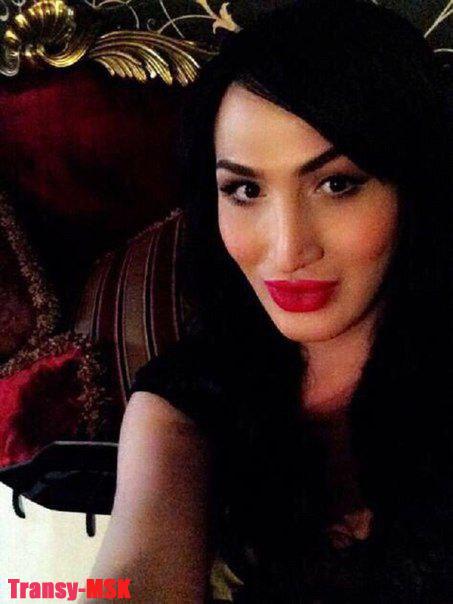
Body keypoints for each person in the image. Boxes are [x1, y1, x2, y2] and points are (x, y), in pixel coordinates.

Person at [86, 1, 453, 601]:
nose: (287, 251)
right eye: (245, 189)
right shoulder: (183, 405)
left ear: (414, 188)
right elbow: (138, 569)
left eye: (337, 184)